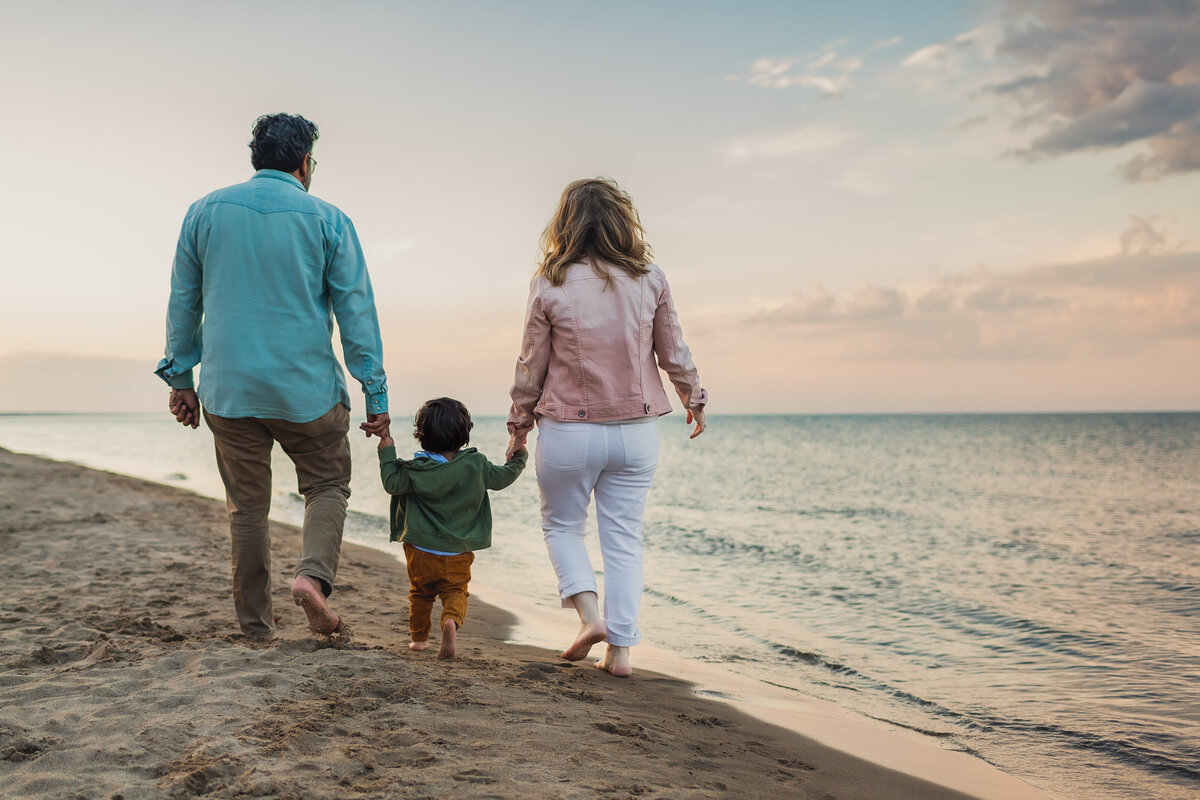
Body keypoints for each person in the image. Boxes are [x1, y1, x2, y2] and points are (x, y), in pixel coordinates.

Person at [155, 113, 391, 639]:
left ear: (255, 158)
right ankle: (311, 578)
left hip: (228, 392)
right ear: (304, 162)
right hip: (306, 392)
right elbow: (357, 314)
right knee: (328, 484)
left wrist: (180, 380)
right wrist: (374, 393)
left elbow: (183, 303)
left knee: (247, 509)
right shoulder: (329, 219)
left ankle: (256, 626)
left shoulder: (205, 212)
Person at [506, 177, 707, 677]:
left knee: (561, 525)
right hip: (636, 431)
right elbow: (672, 349)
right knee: (623, 539)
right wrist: (693, 397)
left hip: (569, 429)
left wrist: (519, 423)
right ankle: (620, 653)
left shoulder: (549, 281)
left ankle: (590, 618)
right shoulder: (650, 277)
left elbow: (532, 362)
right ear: (623, 220)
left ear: (565, 224)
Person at [378, 398, 527, 658]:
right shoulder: (476, 465)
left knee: (421, 594)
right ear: (464, 435)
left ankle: (419, 641)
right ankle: (450, 621)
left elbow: (392, 483)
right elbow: (503, 477)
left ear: (421, 435)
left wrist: (387, 449)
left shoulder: (416, 470)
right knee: (456, 592)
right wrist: (519, 456)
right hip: (457, 551)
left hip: (420, 549)